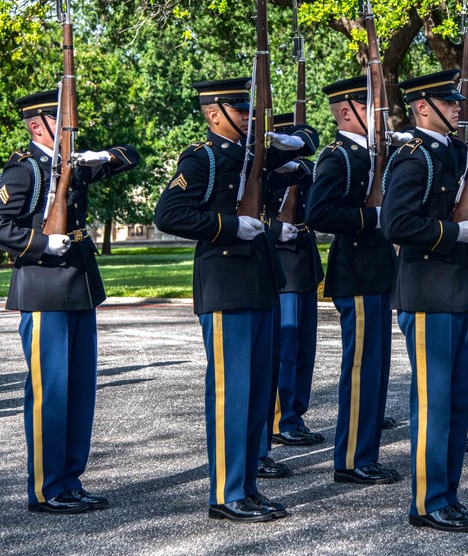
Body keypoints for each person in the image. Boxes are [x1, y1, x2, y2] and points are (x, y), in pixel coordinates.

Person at [153, 78, 316, 523]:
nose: (249, 117)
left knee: (257, 393)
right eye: (241, 111)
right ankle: (226, 493)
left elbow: (308, 142)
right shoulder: (202, 158)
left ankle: (247, 486)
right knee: (233, 393)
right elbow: (168, 213)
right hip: (226, 285)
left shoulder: (253, 154)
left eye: (250, 109)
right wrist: (227, 226)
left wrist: (288, 138)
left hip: (261, 282)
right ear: (214, 114)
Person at [0, 90, 139, 514]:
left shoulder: (70, 165)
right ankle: (48, 488)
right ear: (37, 126)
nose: (72, 128)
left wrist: (98, 156)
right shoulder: (25, 170)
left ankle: (71, 478)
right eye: (63, 121)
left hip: (80, 288)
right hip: (45, 290)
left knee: (80, 391)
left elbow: (130, 155)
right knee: (52, 392)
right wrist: (42, 243)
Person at [382, 69, 468, 532]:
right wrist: (451, 233)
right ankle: (427, 503)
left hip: (461, 289)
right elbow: (396, 224)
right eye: (448, 103)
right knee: (433, 403)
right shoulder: (415, 158)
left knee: (455, 404)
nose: (457, 108)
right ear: (422, 107)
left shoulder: (449, 152)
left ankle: (448, 494)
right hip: (429, 292)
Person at [304, 76, 402, 487]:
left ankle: (367, 454)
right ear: (347, 112)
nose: (378, 115)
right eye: (369, 107)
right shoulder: (339, 156)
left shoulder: (377, 154)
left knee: (376, 370)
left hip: (378, 272)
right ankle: (351, 460)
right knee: (362, 370)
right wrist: (371, 218)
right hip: (357, 272)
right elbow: (318, 213)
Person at [265, 113, 325, 449]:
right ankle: (279, 419)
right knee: (285, 350)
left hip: (303, 264)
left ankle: (295, 415)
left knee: (304, 351)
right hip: (281, 267)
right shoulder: (265, 172)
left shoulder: (301, 170)